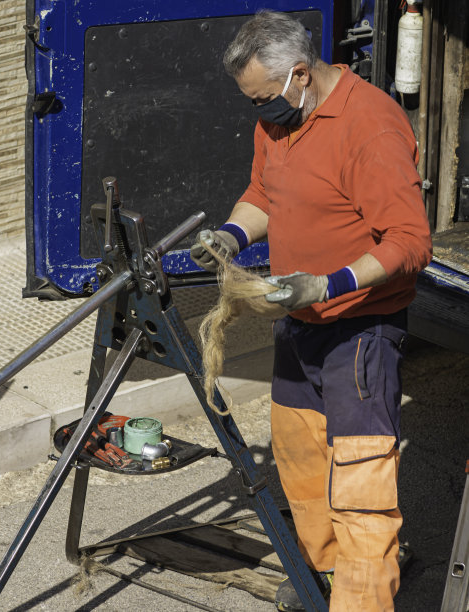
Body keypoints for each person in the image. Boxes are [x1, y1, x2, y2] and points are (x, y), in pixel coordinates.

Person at [190, 10, 433, 612]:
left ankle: (364, 600)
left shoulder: (370, 126)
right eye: (252, 102)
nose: (259, 112)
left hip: (359, 331)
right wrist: (230, 237)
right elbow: (263, 194)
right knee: (300, 467)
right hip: (300, 325)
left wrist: (329, 285)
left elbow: (410, 242)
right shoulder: (278, 120)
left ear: (300, 73)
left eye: (264, 99)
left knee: (360, 484)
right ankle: (324, 577)